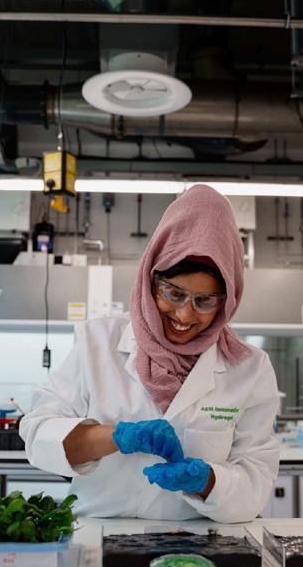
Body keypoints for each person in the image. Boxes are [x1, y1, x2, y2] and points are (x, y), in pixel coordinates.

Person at [21, 185, 280, 523]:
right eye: (173, 293)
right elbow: (39, 434)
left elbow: (256, 479)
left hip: (200, 542)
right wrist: (116, 437)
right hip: (99, 534)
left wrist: (207, 482)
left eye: (205, 301)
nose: (185, 315)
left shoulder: (249, 369)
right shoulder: (98, 342)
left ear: (227, 300)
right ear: (151, 279)